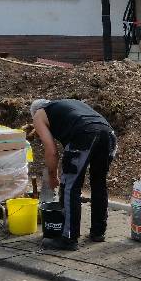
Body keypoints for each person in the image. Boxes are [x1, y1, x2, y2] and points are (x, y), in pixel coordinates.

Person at [29, 99, 116, 250]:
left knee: (69, 187)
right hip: (108, 134)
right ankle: (98, 232)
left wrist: (52, 176)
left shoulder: (39, 114)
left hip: (84, 134)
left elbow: (51, 150)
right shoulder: (67, 106)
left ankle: (69, 239)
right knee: (99, 183)